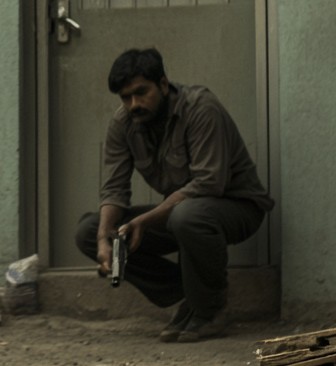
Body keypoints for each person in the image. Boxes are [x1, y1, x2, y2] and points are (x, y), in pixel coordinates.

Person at [75, 48, 272, 344]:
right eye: (125, 97)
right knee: (89, 230)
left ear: (164, 85)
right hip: (182, 212)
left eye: (141, 93)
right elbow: (114, 189)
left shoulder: (201, 108)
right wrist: (105, 239)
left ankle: (210, 308)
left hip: (237, 208)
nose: (134, 104)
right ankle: (192, 293)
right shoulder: (124, 123)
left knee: (187, 216)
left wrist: (146, 221)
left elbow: (209, 183)